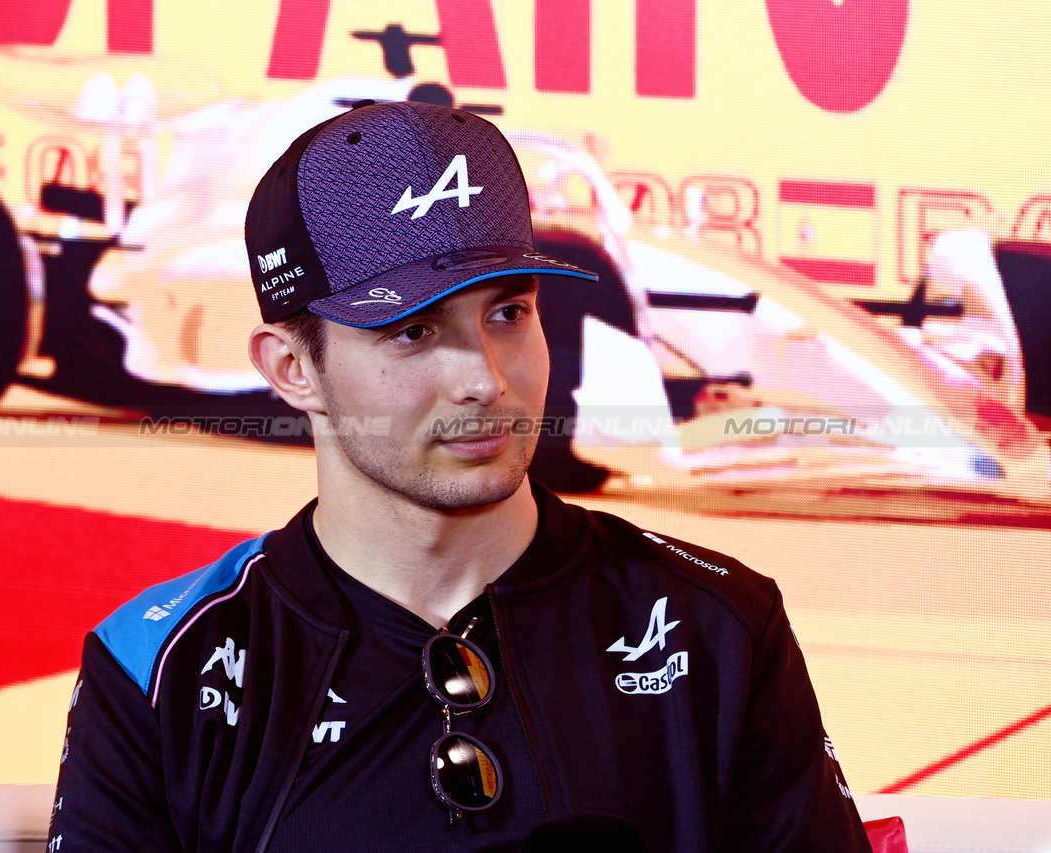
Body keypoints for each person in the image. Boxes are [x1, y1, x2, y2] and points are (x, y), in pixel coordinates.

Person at [47, 100, 873, 852]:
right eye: (411, 332)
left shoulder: (721, 624)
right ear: (293, 367)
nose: (484, 377)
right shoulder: (158, 668)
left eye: (508, 313)